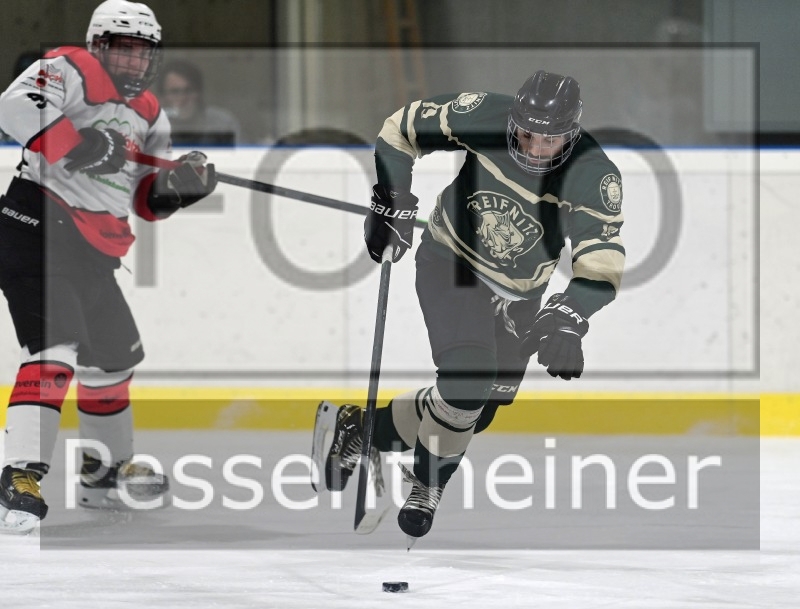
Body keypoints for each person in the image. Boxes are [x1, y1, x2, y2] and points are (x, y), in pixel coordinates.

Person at [312, 71, 625, 542]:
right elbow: (402, 127)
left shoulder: (593, 174)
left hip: (521, 295)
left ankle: (358, 428)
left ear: (572, 132)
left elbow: (600, 258)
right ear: (514, 121)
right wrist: (392, 194)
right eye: (527, 134)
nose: (536, 148)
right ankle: (426, 485)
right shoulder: (484, 116)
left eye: (550, 139)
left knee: (481, 406)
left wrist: (569, 316)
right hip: (450, 263)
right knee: (469, 377)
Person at [0, 0, 217, 531]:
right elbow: (14, 107)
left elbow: (144, 200)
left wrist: (180, 188)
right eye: (121, 49)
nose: (131, 62)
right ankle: (18, 477)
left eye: (141, 52)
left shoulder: (149, 114)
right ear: (99, 46)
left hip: (93, 252)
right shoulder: (68, 68)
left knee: (114, 360)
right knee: (56, 349)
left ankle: (103, 477)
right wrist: (77, 145)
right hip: (36, 229)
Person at [157, 60, 241, 146]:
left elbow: (242, 156)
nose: (183, 98)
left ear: (199, 93)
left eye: (189, 90)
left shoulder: (223, 124)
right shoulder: (152, 126)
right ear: (162, 97)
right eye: (175, 92)